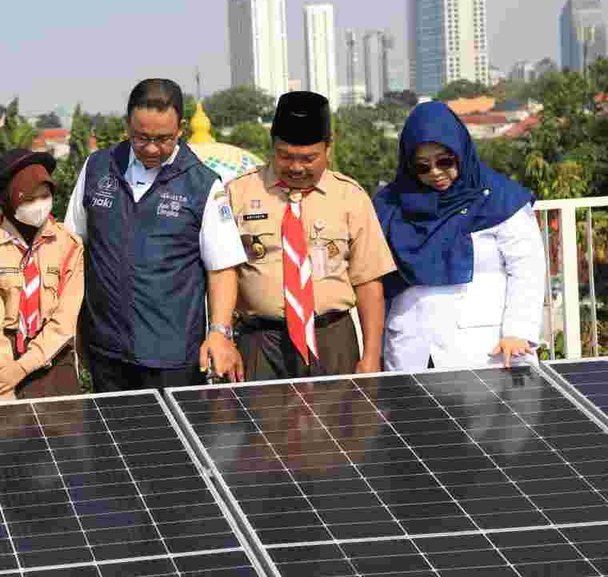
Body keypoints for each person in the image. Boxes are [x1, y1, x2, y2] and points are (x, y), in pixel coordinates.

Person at [64, 78, 246, 391]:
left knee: (169, 440)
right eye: (140, 137)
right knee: (111, 440)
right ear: (127, 126)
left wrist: (219, 332)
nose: (150, 148)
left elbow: (223, 268)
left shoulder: (202, 185)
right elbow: (72, 246)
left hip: (172, 358)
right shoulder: (97, 168)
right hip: (106, 352)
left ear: (181, 129)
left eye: (163, 139)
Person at [227, 91, 395, 380]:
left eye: (308, 158)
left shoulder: (350, 197)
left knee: (336, 425)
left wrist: (370, 356)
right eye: (285, 156)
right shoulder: (238, 193)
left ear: (329, 148)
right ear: (273, 146)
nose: (296, 167)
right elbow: (222, 273)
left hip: (332, 339)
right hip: (259, 343)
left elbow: (369, 282)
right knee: (259, 424)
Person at [374, 101, 545, 370]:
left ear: (461, 153)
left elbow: (527, 269)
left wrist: (518, 330)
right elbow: (375, 279)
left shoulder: (500, 198)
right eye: (422, 167)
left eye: (445, 161)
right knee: (411, 411)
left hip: (485, 347)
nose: (436, 173)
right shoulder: (391, 205)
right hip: (412, 347)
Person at [0, 149, 84, 401]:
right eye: (29, 199)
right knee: (0, 437)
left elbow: (65, 319)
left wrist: (22, 367)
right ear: (9, 200)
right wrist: (4, 376)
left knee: (62, 436)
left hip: (51, 357)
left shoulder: (69, 245)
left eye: (45, 196)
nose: (39, 206)